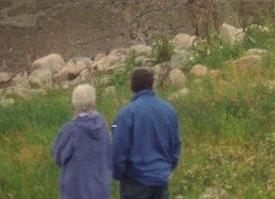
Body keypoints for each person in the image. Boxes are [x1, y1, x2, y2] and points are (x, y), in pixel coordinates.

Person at [110, 68, 180, 199]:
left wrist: (117, 174)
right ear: (152, 84)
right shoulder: (169, 111)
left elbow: (118, 148)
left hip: (135, 182)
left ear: (132, 87)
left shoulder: (125, 114)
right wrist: (166, 168)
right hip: (161, 179)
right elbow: (175, 144)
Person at [52, 83, 111, 199]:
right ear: (94, 104)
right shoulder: (103, 125)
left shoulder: (71, 129)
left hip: (76, 191)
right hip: (100, 190)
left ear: (73, 106)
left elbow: (57, 155)